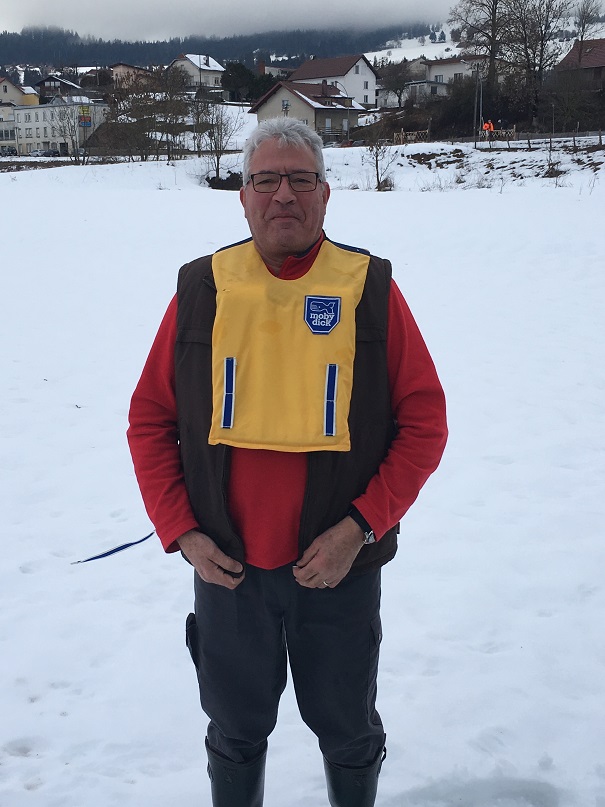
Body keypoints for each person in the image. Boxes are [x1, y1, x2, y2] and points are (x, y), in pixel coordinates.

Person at [127, 117, 448, 807]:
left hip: (338, 568)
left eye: (300, 180)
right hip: (227, 571)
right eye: (265, 179)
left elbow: (424, 423)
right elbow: (150, 420)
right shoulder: (202, 289)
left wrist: (360, 527)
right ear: (242, 196)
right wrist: (181, 530)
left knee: (348, 727)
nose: (283, 195)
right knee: (235, 728)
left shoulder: (368, 289)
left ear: (326, 194)